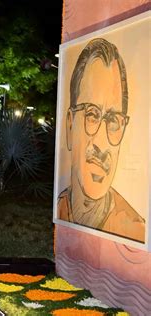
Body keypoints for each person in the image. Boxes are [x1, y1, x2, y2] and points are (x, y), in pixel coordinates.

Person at [57, 38, 145, 242]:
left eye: (114, 120)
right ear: (70, 126)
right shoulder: (61, 205)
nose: (102, 143)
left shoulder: (135, 230)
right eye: (92, 115)